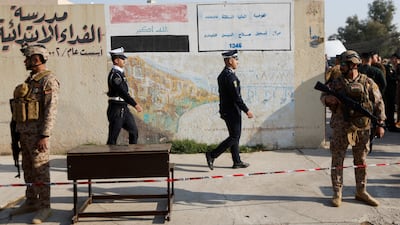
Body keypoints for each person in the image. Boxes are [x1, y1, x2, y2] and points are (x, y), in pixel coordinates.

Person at [320, 50, 386, 207]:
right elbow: (323, 97)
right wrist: (328, 99)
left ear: (354, 65)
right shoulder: (335, 83)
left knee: (361, 160)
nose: (341, 66)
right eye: (341, 63)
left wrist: (381, 124)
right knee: (337, 159)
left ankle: (361, 191)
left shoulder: (367, 82)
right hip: (341, 126)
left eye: (344, 64)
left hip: (362, 127)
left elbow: (378, 103)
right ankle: (337, 192)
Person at [9, 43, 59, 224]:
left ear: (36, 59)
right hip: (25, 135)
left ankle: (44, 206)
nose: (25, 61)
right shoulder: (31, 81)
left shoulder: (48, 80)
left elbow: (50, 110)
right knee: (28, 170)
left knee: (41, 171)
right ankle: (31, 200)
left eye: (27, 58)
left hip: (38, 137)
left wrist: (45, 135)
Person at [205, 50, 254, 170]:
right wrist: (246, 110)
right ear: (229, 60)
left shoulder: (223, 75)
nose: (238, 62)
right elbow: (236, 97)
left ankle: (237, 161)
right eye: (236, 59)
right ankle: (212, 154)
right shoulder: (230, 77)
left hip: (227, 110)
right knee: (234, 137)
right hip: (232, 111)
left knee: (234, 136)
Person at [106, 47, 143, 145]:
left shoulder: (120, 74)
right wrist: (135, 104)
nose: (124, 61)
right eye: (122, 59)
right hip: (116, 109)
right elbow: (122, 92)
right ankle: (108, 158)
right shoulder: (115, 75)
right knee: (113, 138)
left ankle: (131, 156)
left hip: (124, 108)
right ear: (116, 60)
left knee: (134, 132)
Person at [383, 54, 399, 131]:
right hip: (390, 91)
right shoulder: (388, 67)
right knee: (390, 108)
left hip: (396, 90)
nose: (394, 60)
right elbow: (389, 78)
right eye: (393, 59)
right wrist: (396, 78)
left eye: (395, 59)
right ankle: (390, 124)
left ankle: (392, 123)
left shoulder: (397, 67)